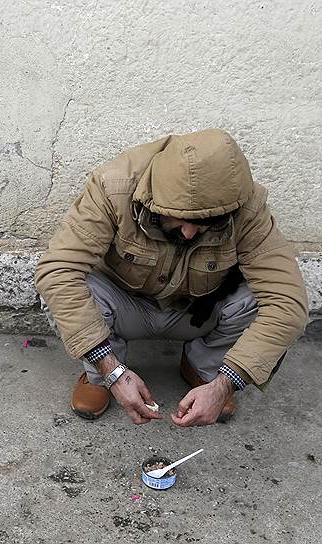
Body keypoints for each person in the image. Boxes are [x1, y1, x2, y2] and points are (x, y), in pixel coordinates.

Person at [34, 128, 308, 427]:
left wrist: (226, 383)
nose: (189, 233)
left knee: (256, 301)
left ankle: (205, 370)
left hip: (196, 311)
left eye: (207, 222)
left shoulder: (247, 208)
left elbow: (287, 302)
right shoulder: (113, 188)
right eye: (179, 217)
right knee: (65, 288)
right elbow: (57, 270)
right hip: (124, 305)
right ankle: (101, 374)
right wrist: (111, 369)